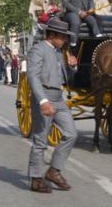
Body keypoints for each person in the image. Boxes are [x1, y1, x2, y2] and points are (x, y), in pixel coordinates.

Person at [27, 18, 78, 193]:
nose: (65, 40)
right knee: (41, 140)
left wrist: (73, 66)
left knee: (71, 134)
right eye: (63, 37)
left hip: (59, 98)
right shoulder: (38, 50)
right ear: (53, 35)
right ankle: (35, 179)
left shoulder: (58, 52)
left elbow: (63, 77)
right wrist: (42, 101)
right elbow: (33, 76)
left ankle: (54, 171)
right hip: (45, 97)